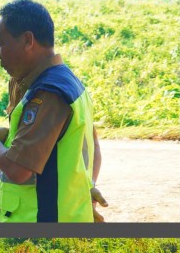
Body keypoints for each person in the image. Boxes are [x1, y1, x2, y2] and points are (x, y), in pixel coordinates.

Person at [0, 0, 97, 222]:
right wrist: (89, 188)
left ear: (27, 40)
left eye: (2, 43)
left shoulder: (48, 92)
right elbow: (93, 148)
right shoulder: (68, 83)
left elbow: (19, 170)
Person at [6, 77, 108, 221]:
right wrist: (89, 185)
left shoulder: (48, 104)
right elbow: (94, 144)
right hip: (74, 202)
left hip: (44, 210)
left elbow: (20, 171)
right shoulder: (74, 94)